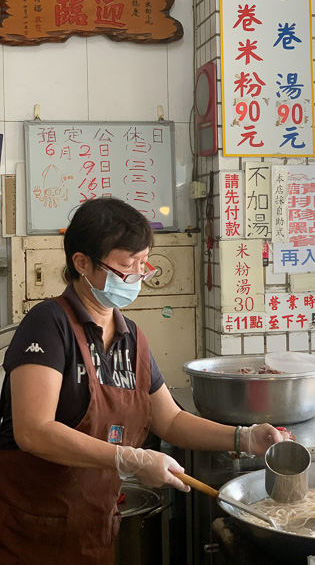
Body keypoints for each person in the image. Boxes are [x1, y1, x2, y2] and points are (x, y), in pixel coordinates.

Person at [0, 198, 288, 564]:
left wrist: (243, 437)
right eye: (125, 267)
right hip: (30, 532)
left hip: (93, 529)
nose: (136, 277)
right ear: (82, 263)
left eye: (142, 265)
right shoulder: (49, 323)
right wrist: (129, 459)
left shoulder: (130, 336)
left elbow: (169, 420)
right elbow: (33, 431)